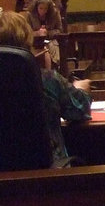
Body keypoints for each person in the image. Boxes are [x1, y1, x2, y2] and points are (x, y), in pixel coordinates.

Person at [0, 10, 91, 169]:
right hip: (44, 177)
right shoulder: (47, 80)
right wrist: (79, 89)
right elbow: (80, 110)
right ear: (26, 41)